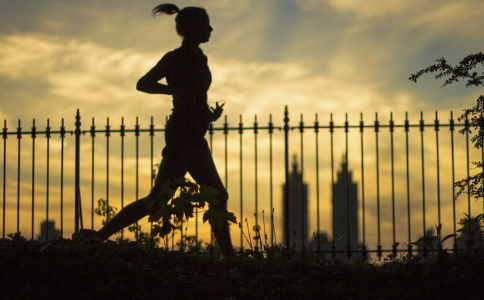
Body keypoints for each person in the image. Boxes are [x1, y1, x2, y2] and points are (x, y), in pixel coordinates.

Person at [81, 3, 235, 257]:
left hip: (192, 131)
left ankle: (97, 237)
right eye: (206, 24)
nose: (211, 28)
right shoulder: (174, 58)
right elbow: (143, 83)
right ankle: (230, 258)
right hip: (184, 134)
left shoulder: (200, 58)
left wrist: (209, 114)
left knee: (156, 201)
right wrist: (172, 90)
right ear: (194, 28)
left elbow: (196, 94)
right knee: (218, 194)